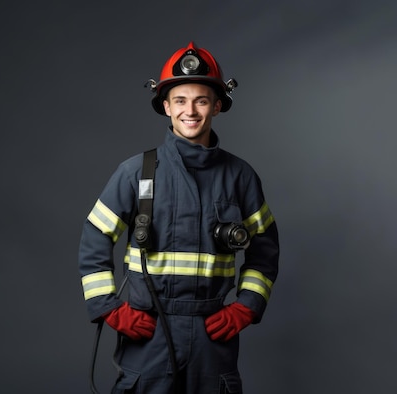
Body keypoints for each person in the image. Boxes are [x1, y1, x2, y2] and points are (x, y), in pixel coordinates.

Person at [78, 41, 280, 394]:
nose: (191, 110)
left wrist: (245, 308)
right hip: (148, 334)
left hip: (212, 334)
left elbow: (265, 250)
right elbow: (95, 237)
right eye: (181, 100)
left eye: (201, 100)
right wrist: (109, 308)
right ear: (166, 106)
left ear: (217, 105)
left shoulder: (240, 177)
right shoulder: (136, 173)